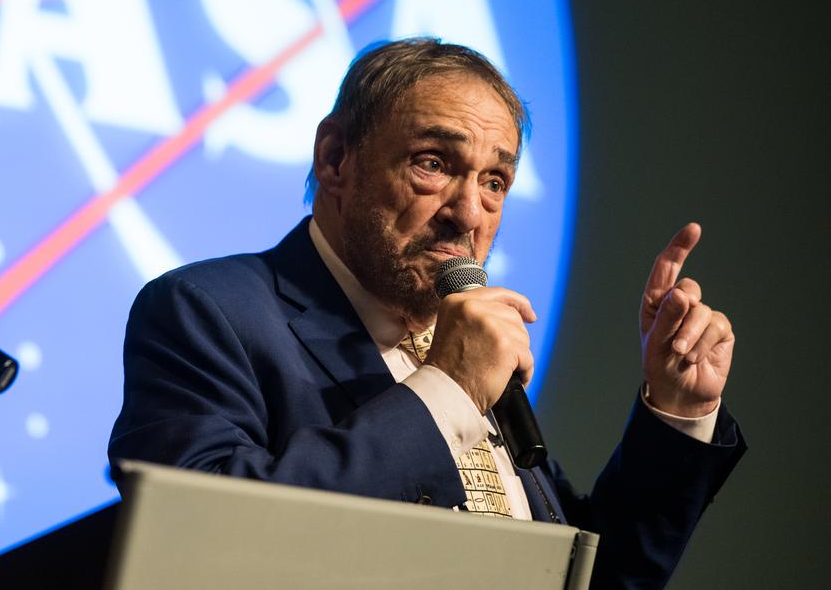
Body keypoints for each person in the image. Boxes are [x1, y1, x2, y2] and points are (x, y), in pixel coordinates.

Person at [109, 38, 744, 587]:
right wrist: (448, 392)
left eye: (495, 182)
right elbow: (205, 542)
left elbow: (593, 580)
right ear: (335, 159)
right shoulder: (209, 311)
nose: (469, 213)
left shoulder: (458, 345)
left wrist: (677, 410)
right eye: (433, 165)